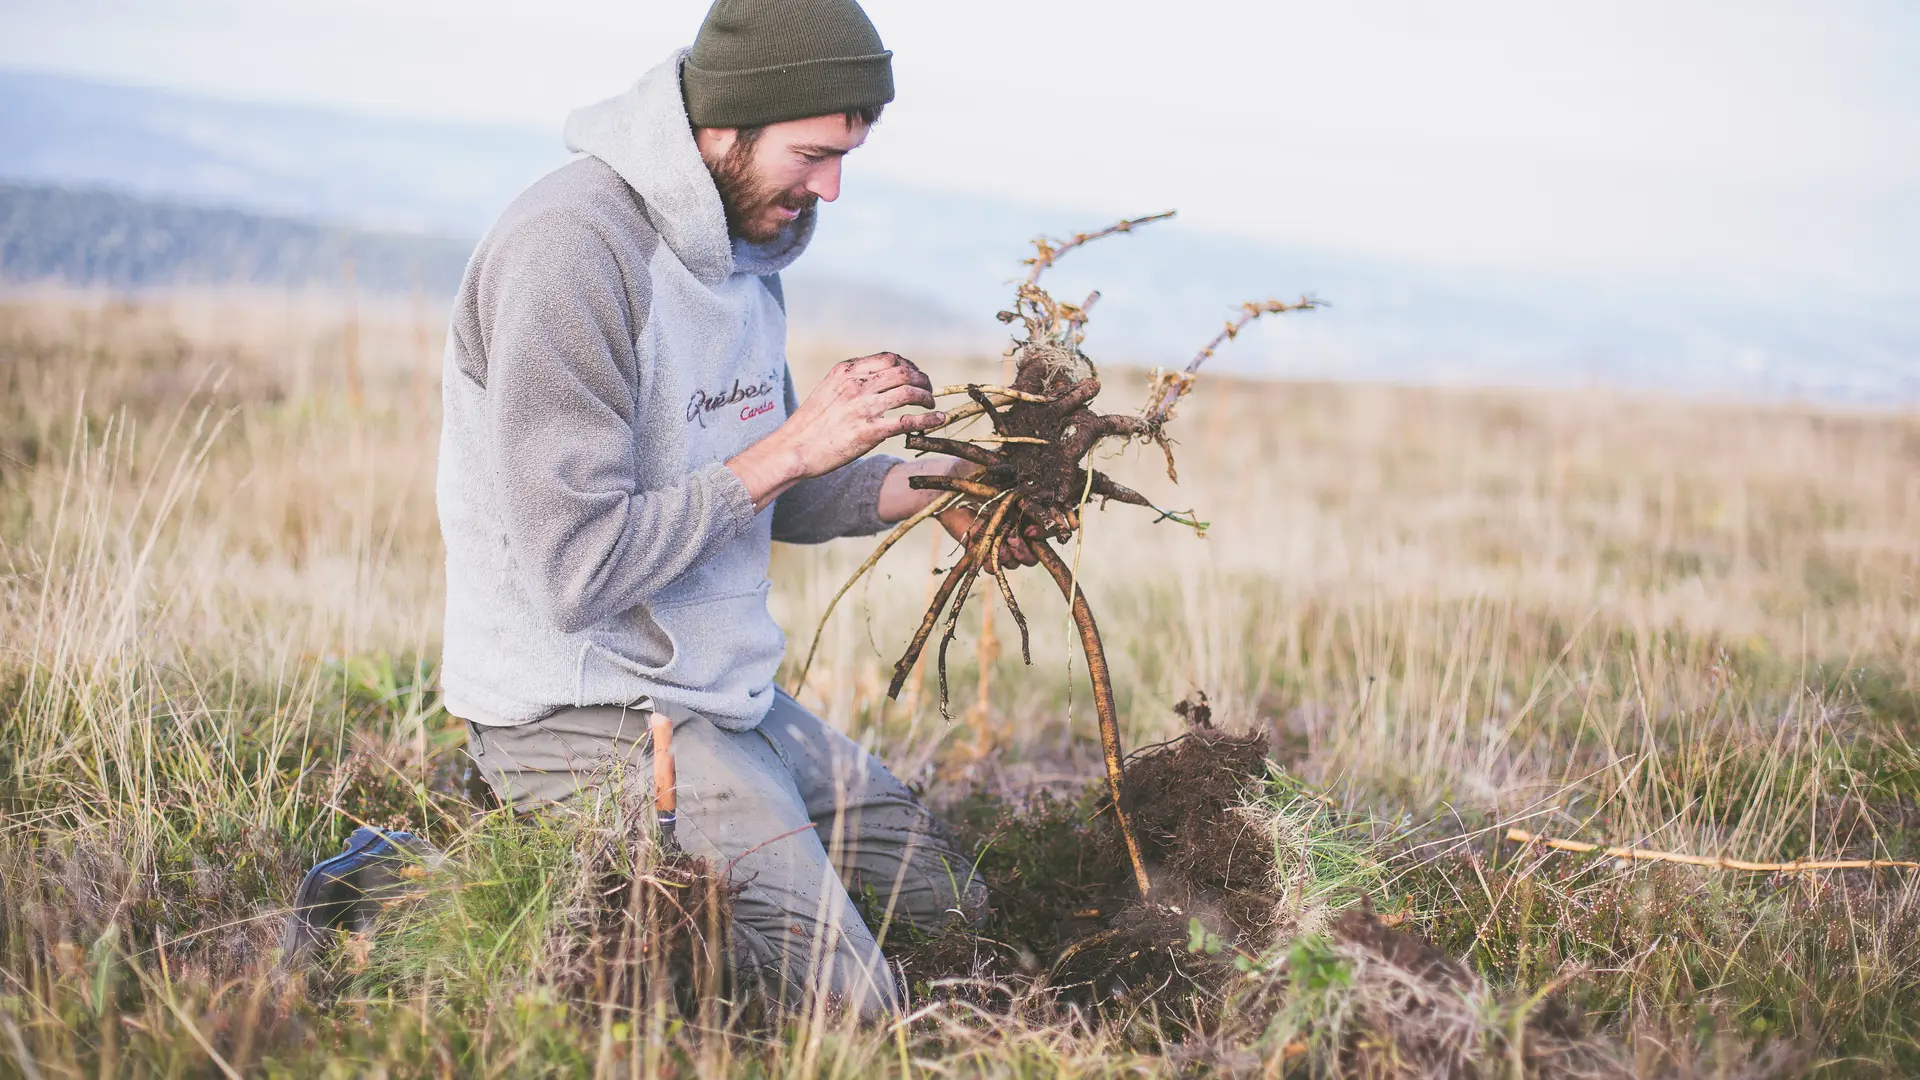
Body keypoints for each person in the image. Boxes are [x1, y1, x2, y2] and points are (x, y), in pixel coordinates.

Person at [433, 0, 1050, 1015]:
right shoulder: (569, 256)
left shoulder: (745, 249)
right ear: (722, 128)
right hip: (582, 713)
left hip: (728, 704)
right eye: (811, 154)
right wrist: (796, 443)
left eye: (849, 154)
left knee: (953, 914)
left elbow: (773, 490)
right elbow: (575, 571)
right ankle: (411, 894)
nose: (832, 189)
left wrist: (936, 486)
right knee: (853, 1006)